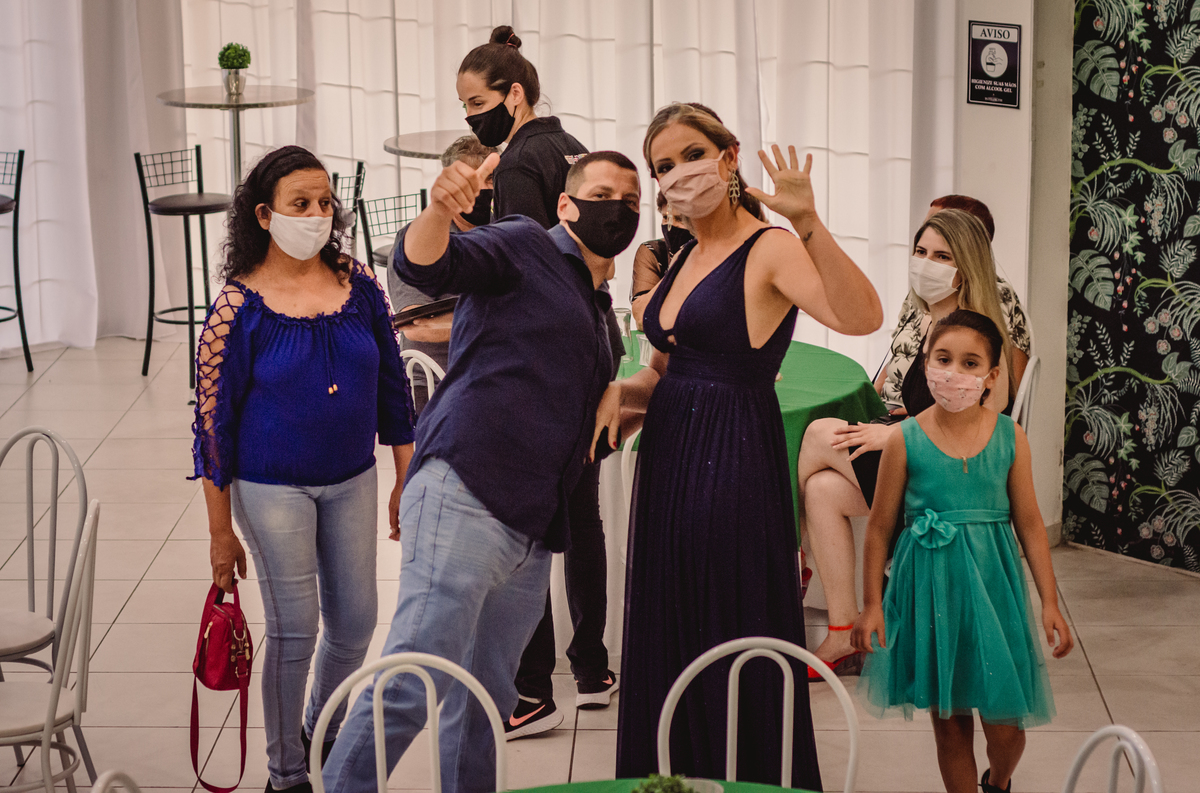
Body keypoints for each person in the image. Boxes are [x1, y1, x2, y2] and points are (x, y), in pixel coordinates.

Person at [321, 150, 642, 793]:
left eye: (631, 202)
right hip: (467, 491)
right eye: (604, 194)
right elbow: (422, 264)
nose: (618, 210)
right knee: (414, 681)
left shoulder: (597, 303)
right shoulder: (524, 245)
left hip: (533, 529)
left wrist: (626, 403)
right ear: (566, 204)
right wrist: (439, 211)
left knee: (485, 701)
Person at [593, 102, 883, 786]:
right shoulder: (685, 255)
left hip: (732, 459)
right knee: (672, 620)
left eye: (692, 155)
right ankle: (674, 775)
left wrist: (808, 223)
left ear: (728, 157)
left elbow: (860, 315)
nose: (679, 174)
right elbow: (661, 371)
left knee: (726, 619)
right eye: (664, 165)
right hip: (668, 460)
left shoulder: (770, 246)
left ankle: (743, 776)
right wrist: (618, 395)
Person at [192, 145, 416, 793]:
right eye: (301, 204)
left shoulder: (360, 283)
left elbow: (393, 388)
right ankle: (285, 773)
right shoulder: (237, 308)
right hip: (270, 486)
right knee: (296, 630)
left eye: (324, 202)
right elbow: (212, 428)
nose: (318, 214)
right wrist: (220, 532)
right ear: (265, 216)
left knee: (357, 623)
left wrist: (405, 475)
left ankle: (319, 728)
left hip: (353, 477)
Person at [458, 25, 623, 735]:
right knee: (581, 516)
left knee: (529, 520)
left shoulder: (520, 163)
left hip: (550, 359)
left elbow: (522, 268)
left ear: (514, 95)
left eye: (476, 102)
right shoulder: (568, 146)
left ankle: (529, 692)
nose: (470, 117)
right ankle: (592, 669)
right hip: (596, 336)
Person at [797, 206, 1030, 680]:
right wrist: (903, 421)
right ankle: (842, 631)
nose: (926, 264)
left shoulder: (976, 330)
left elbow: (991, 416)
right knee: (821, 489)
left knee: (820, 432)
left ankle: (787, 553)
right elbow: (933, 403)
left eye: (942, 256)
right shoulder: (930, 319)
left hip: (948, 478)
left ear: (965, 267)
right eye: (921, 251)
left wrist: (898, 433)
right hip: (920, 456)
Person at [852, 309, 1073, 793]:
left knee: (1007, 730)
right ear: (926, 362)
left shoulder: (1010, 437)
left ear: (991, 376)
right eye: (943, 358)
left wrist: (1050, 602)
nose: (953, 372)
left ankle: (999, 780)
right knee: (950, 725)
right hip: (932, 594)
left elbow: (1030, 525)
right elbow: (879, 529)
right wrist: (871, 605)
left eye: (970, 363)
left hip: (995, 592)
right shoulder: (904, 440)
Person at [391, 135, 498, 415]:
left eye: (491, 178)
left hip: (495, 377)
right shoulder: (416, 242)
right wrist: (497, 324)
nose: (485, 188)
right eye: (473, 179)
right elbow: (416, 325)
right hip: (437, 380)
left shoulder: (504, 233)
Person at [631, 192, 692, 329]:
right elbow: (641, 319)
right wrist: (677, 264)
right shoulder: (654, 251)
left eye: (680, 219)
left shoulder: (715, 254)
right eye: (666, 217)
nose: (671, 226)